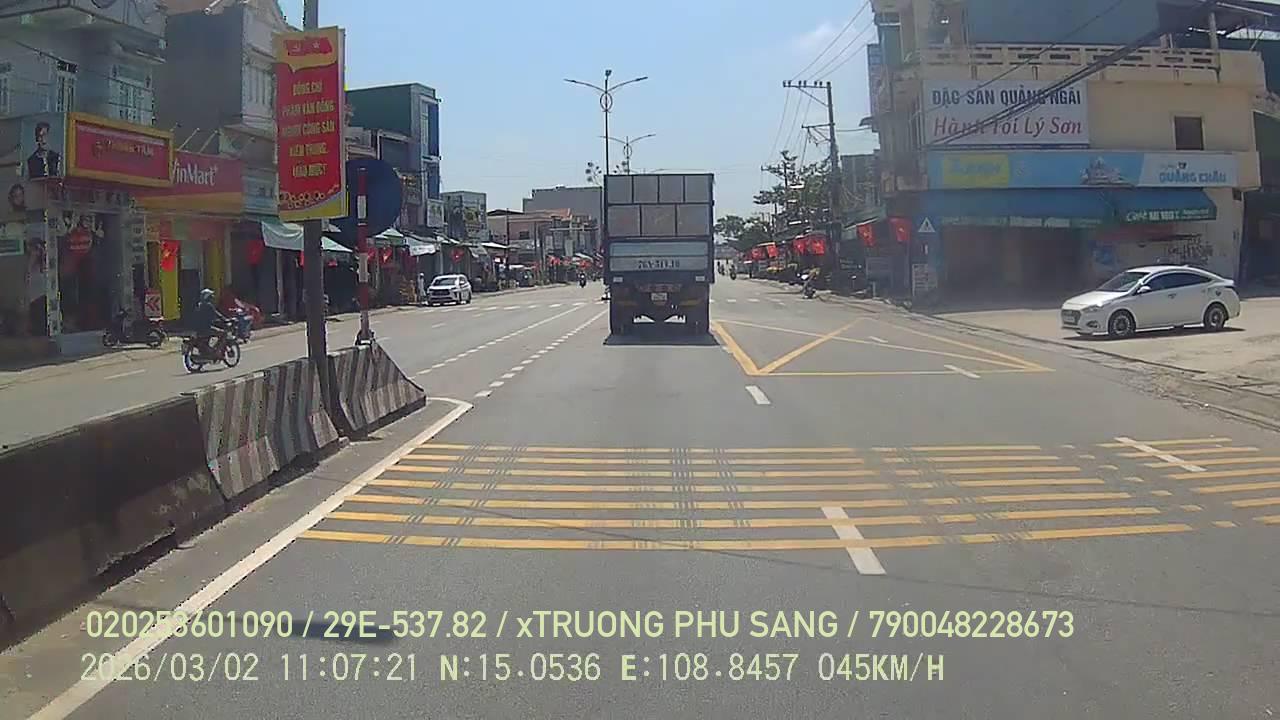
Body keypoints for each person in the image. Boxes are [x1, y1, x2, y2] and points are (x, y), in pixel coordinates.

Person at [193, 288, 227, 359]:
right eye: (210, 296)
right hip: (206, 328)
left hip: (197, 329)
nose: (212, 298)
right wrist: (225, 320)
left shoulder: (199, 305)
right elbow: (218, 315)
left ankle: (206, 352)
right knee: (223, 334)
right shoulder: (208, 305)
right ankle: (216, 352)